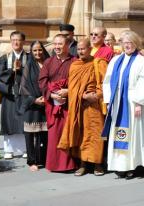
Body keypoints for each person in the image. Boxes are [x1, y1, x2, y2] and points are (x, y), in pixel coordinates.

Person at [102, 30, 144, 179]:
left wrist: (139, 103)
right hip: (118, 103)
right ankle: (119, 165)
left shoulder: (141, 61)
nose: (128, 45)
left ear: (136, 44)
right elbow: (108, 81)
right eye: (125, 43)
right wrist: (109, 100)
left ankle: (132, 166)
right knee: (118, 133)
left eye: (131, 43)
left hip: (132, 103)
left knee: (134, 134)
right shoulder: (116, 60)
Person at [58, 39, 106, 176]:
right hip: (79, 107)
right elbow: (72, 88)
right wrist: (82, 96)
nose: (80, 51)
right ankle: (83, 164)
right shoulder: (75, 65)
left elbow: (105, 84)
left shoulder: (99, 63)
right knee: (81, 134)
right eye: (78, 49)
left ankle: (98, 164)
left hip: (94, 106)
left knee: (97, 134)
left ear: (90, 49)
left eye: (83, 49)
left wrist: (96, 95)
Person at [38, 34, 76, 172]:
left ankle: (69, 164)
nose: (57, 47)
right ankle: (53, 164)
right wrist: (52, 95)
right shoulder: (48, 62)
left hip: (68, 103)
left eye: (60, 44)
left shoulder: (74, 61)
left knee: (67, 133)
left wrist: (68, 91)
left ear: (67, 46)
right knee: (54, 134)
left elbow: (78, 82)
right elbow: (42, 81)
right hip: (53, 104)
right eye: (55, 44)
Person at [0, 31, 28, 159]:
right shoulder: (4, 58)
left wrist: (22, 70)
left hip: (25, 96)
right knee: (9, 121)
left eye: (18, 40)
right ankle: (9, 150)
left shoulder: (29, 57)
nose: (16, 42)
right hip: (10, 95)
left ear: (23, 42)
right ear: (10, 41)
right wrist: (11, 71)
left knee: (24, 121)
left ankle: (26, 148)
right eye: (13, 40)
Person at [20, 41, 49, 171]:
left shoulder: (49, 62)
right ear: (31, 52)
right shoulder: (29, 65)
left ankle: (43, 159)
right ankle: (32, 161)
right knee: (31, 134)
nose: (38, 53)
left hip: (47, 102)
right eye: (35, 51)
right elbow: (23, 86)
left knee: (44, 134)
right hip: (32, 104)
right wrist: (34, 100)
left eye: (40, 50)